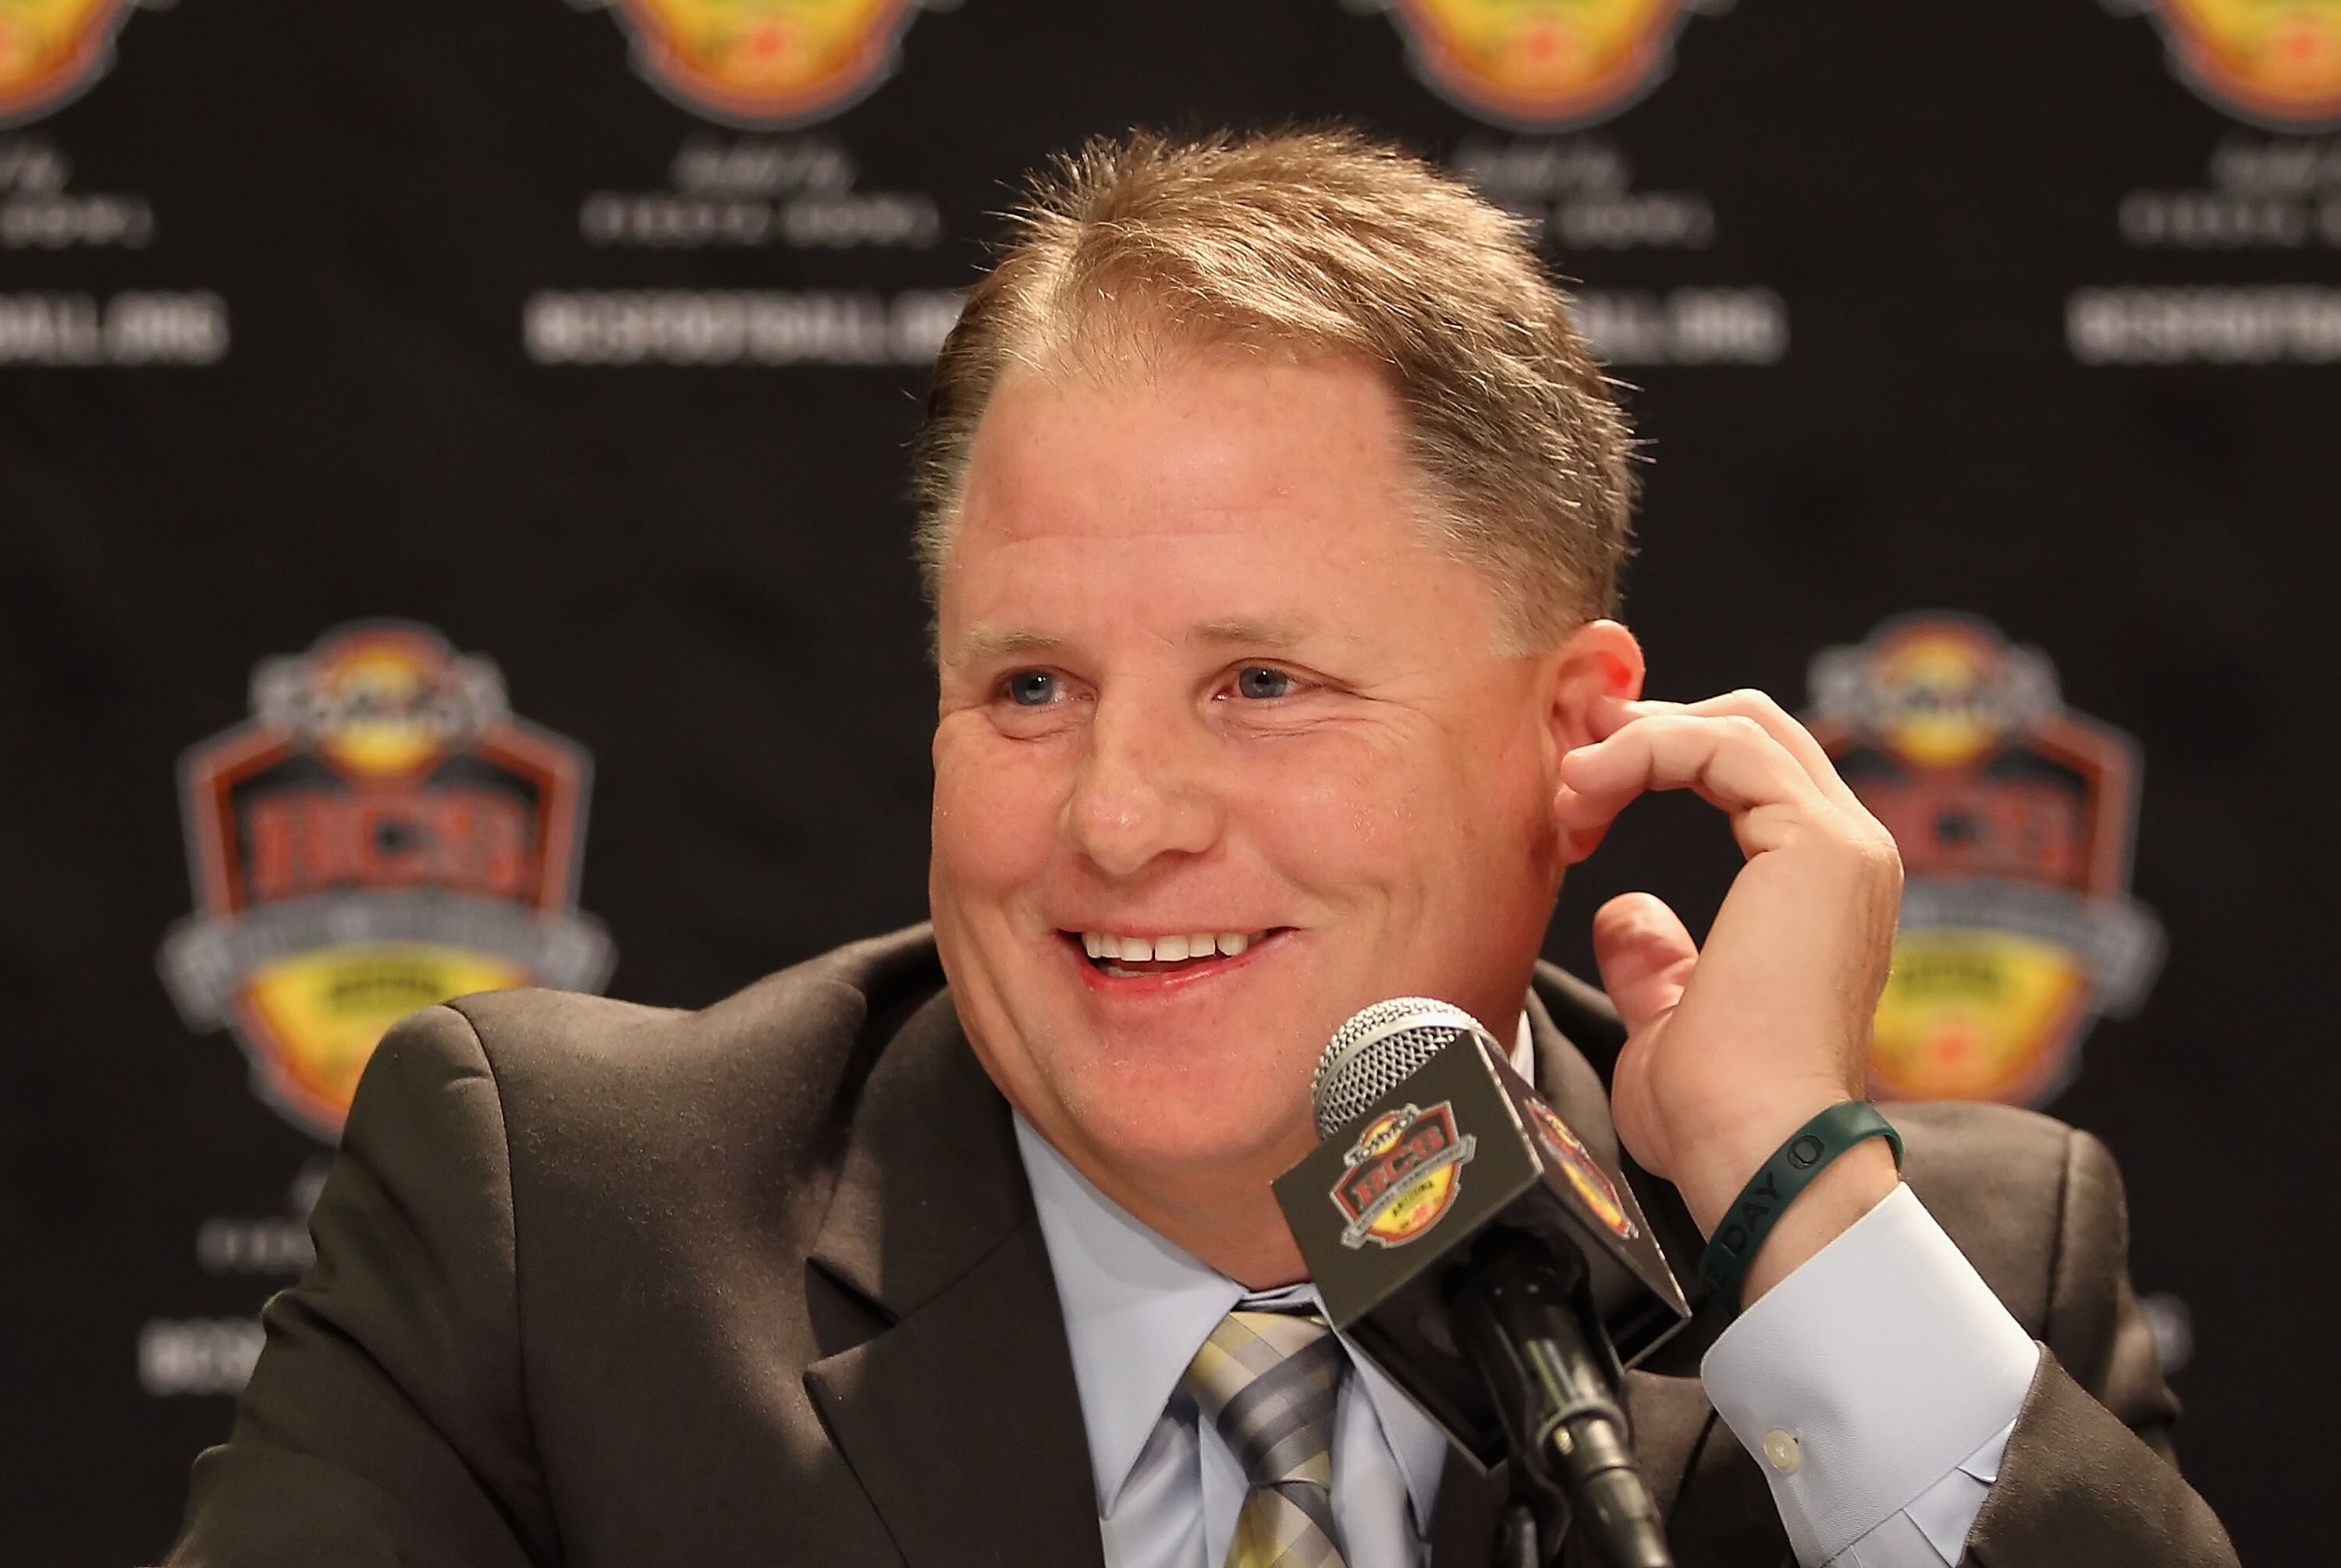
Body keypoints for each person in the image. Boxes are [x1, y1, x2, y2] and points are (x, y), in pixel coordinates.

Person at [164, 128, 2234, 1568]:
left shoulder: (1932, 1260)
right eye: (1031, 687)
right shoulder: (572, 1230)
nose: (1119, 820)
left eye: (1261, 680)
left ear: (1576, 734)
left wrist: (1788, 1202)